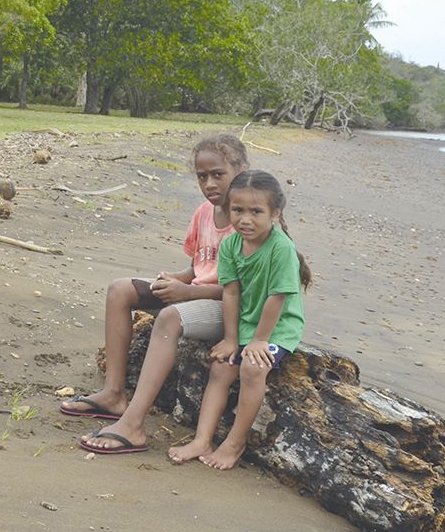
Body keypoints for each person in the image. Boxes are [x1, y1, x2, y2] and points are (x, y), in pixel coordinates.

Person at [64, 133, 249, 454]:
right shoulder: (205, 213)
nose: (210, 184)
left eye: (218, 174)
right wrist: (175, 280)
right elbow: (198, 267)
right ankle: (114, 394)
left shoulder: (248, 217)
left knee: (168, 318)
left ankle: (134, 425)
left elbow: (243, 288)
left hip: (230, 308)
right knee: (120, 289)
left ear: (240, 169)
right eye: (202, 177)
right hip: (196, 294)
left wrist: (185, 293)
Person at [168, 169, 310, 470]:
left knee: (253, 367)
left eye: (256, 211)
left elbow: (277, 298)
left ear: (275, 212)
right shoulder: (232, 246)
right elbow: (230, 294)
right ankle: (202, 439)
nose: (245, 219)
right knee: (220, 367)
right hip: (246, 321)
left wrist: (259, 340)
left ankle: (235, 442)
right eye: (238, 210)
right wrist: (231, 338)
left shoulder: (281, 248)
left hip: (277, 327)